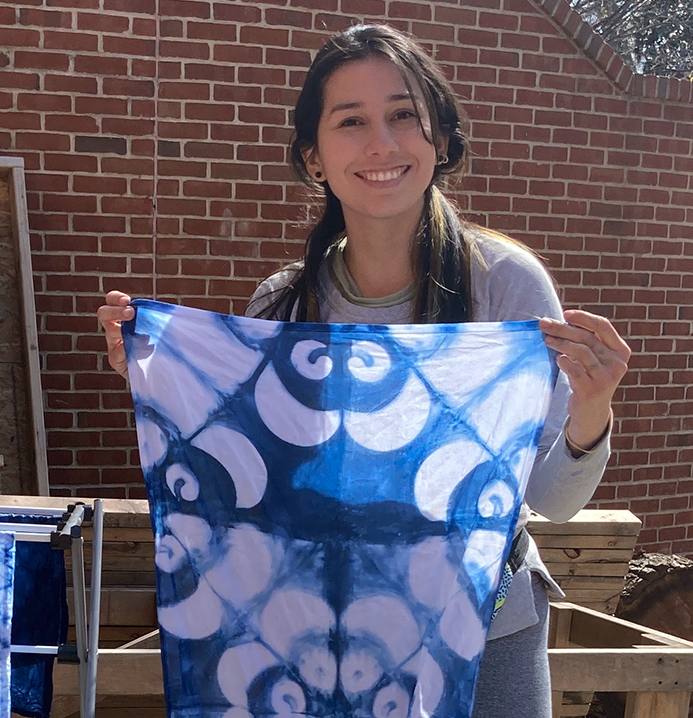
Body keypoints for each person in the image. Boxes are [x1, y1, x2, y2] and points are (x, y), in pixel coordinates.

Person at [96, 23, 630, 718]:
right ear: (314, 158)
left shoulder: (505, 287)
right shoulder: (284, 305)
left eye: (403, 115)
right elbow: (243, 489)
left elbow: (553, 502)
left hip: (489, 631)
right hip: (309, 642)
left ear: (438, 138)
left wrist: (593, 412)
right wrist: (163, 380)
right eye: (352, 121)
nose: (382, 143)